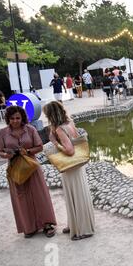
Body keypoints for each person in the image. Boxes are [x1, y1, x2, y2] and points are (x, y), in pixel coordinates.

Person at [0, 106, 57, 238]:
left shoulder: (30, 129)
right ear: (8, 119)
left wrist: (27, 151)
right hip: (15, 167)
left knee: (39, 194)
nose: (15, 121)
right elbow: (0, 151)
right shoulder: (2, 133)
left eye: (18, 118)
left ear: (22, 117)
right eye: (12, 118)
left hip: (31, 165)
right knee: (21, 197)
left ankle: (47, 224)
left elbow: (40, 147)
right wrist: (6, 155)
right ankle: (29, 227)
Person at [43, 101, 95, 241]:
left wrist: (54, 142)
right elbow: (76, 141)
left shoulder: (60, 129)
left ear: (51, 115)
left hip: (70, 167)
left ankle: (83, 229)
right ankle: (74, 224)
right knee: (79, 195)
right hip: (77, 167)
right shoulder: (70, 123)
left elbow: (70, 151)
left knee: (75, 196)